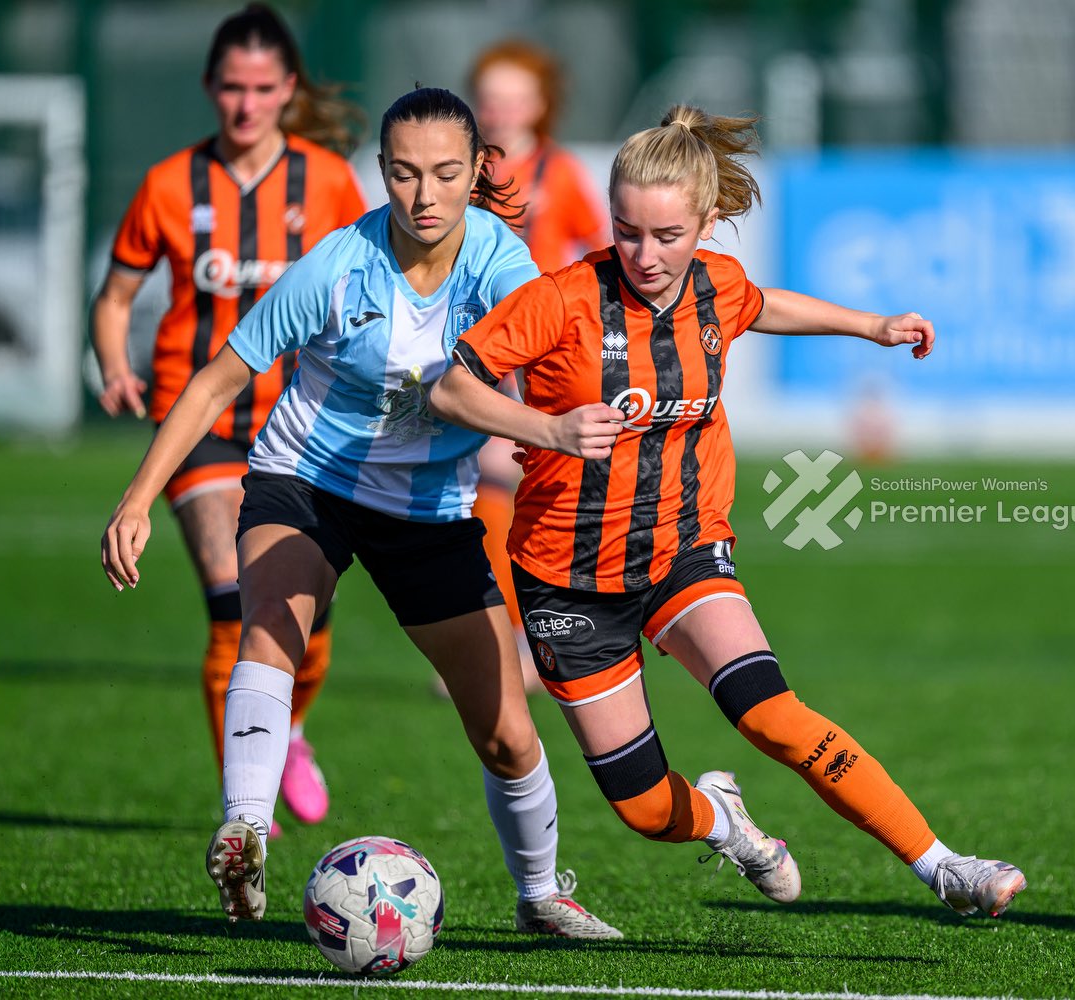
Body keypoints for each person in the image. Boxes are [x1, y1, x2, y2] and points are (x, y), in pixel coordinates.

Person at [429, 104, 1028, 919]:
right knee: (644, 810)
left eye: (668, 236)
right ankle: (728, 824)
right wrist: (548, 427)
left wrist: (872, 326)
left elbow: (763, 303)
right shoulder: (560, 300)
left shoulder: (717, 284)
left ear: (706, 222)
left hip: (684, 549)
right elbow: (450, 385)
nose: (645, 254)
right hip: (566, 579)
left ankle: (944, 866)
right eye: (628, 231)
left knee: (771, 715)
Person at [100, 85, 621, 939]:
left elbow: (558, 372)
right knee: (268, 616)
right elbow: (216, 381)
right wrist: (137, 500)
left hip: (429, 509)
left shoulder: (504, 268)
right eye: (406, 174)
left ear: (478, 171)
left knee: (507, 738)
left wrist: (566, 433)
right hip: (307, 479)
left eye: (447, 174)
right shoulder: (337, 266)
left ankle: (539, 893)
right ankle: (245, 828)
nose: (424, 196)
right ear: (380, 172)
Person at [91, 3, 367, 835]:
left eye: (262, 89)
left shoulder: (324, 181)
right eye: (231, 88)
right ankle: (245, 811)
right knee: (233, 602)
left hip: (304, 426)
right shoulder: (170, 185)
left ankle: (289, 728)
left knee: (304, 620)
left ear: (289, 90)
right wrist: (113, 363)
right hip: (201, 421)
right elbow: (115, 299)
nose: (245, 106)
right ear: (210, 86)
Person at [454, 40, 611, 695]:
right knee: (484, 492)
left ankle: (537, 643)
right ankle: (501, 647)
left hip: (541, 356)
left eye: (514, 96)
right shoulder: (456, 171)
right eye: (489, 95)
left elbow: (600, 255)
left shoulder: (560, 172)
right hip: (475, 348)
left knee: (536, 493)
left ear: (539, 105)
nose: (499, 108)